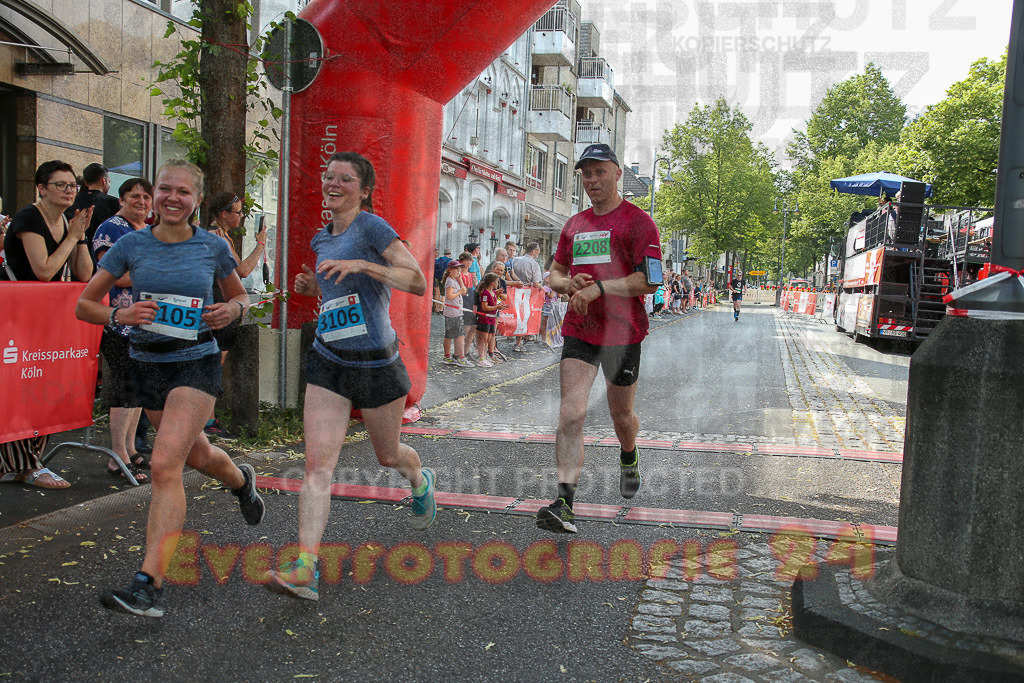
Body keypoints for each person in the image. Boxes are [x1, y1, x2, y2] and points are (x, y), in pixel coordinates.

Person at [76, 158, 265, 618]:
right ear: (154, 194)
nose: (172, 197)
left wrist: (231, 312)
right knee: (196, 455)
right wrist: (120, 316)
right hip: (148, 365)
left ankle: (148, 585)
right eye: (165, 189)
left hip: (196, 363)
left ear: (197, 199)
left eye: (183, 191)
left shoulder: (211, 247)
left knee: (163, 465)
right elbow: (84, 303)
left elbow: (240, 295)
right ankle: (242, 482)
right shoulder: (132, 245)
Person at [265, 151, 435, 602]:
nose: (333, 183)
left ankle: (419, 480)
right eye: (328, 176)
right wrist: (312, 288)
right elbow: (335, 291)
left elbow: (416, 280)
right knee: (318, 465)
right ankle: (306, 566)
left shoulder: (373, 229)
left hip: (378, 363)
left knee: (388, 455)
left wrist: (365, 265)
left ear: (363, 191)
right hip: (329, 361)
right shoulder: (322, 239)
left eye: (345, 178)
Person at [536, 143, 661, 534]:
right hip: (580, 330)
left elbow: (651, 279)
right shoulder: (574, 225)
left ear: (617, 173)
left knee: (620, 415)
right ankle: (565, 502)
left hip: (623, 334)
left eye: (599, 172)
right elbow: (554, 274)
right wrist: (568, 284)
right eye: (586, 174)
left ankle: (628, 455)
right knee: (570, 413)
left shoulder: (639, 223)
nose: (592, 180)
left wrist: (601, 289)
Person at [0, 160, 95, 490]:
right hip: (15, 320)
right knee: (17, 389)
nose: (70, 191)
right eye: (61, 185)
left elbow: (84, 274)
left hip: (45, 320)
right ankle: (24, 464)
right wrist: (71, 237)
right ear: (41, 188)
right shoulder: (29, 217)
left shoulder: (68, 221)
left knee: (45, 385)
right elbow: (42, 270)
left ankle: (28, 462)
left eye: (73, 186)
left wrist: (79, 237)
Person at [91, 177, 156, 482]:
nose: (141, 202)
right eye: (135, 196)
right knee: (124, 389)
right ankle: (117, 456)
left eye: (146, 197)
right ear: (122, 199)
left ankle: (130, 449)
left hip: (148, 322)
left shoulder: (151, 231)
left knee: (138, 390)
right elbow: (114, 276)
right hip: (119, 320)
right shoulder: (111, 228)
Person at [201, 191, 269, 436]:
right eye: (238, 212)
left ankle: (207, 418)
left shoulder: (221, 236)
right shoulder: (216, 236)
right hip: (219, 305)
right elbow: (242, 270)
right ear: (223, 214)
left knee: (212, 362)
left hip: (220, 305)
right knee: (212, 363)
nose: (241, 216)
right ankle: (206, 420)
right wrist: (261, 243)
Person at [65, 162, 120, 254]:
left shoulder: (72, 201)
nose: (109, 185)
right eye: (109, 182)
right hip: (103, 253)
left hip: (74, 251)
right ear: (103, 181)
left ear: (85, 183)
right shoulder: (113, 202)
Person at [509, 242, 543, 352]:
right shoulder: (534, 264)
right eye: (537, 251)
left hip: (513, 290)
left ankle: (513, 336)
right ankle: (518, 342)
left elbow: (510, 273)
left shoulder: (516, 260)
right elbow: (536, 283)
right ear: (533, 251)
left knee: (514, 314)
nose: (538, 253)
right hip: (526, 293)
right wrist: (543, 289)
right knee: (523, 316)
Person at [441, 255, 474, 367]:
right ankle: (461, 358)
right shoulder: (450, 281)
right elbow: (449, 296)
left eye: (460, 269)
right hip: (453, 312)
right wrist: (459, 291)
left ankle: (448, 356)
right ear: (450, 270)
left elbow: (464, 292)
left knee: (452, 335)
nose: (459, 271)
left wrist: (460, 281)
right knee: (459, 335)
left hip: (455, 312)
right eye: (457, 269)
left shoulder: (455, 280)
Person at [474, 273, 501, 367]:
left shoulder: (493, 293)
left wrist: (499, 307)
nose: (498, 284)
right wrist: (497, 307)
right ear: (492, 283)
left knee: (488, 338)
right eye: (497, 282)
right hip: (485, 318)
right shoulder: (485, 293)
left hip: (492, 318)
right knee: (483, 339)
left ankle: (484, 356)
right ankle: (481, 357)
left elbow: (493, 305)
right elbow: (484, 307)